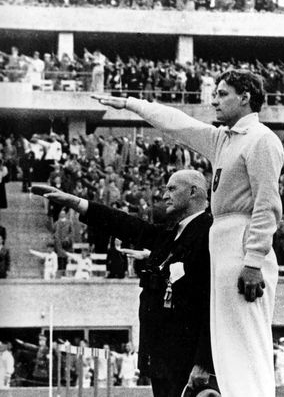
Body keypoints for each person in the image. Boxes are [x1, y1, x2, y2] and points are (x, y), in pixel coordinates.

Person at [92, 69, 284, 397]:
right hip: (223, 242)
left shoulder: (262, 139)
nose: (214, 100)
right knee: (228, 343)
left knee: (247, 341)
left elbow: (267, 204)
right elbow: (178, 123)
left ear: (245, 97)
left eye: (223, 93)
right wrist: (130, 104)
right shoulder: (225, 140)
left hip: (243, 242)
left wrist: (253, 260)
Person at [35, 169, 214, 397]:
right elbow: (127, 225)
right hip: (163, 362)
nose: (164, 195)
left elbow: (213, 303)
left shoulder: (208, 232)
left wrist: (204, 362)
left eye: (172, 188)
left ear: (193, 192)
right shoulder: (172, 235)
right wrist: (77, 202)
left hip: (188, 364)